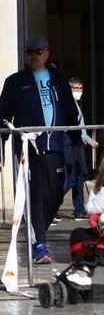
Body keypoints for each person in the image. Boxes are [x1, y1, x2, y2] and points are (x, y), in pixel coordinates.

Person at [0, 34, 84, 264]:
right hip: (28, 146)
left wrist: (76, 142)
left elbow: (71, 112)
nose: (33, 56)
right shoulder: (15, 81)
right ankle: (39, 244)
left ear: (47, 52)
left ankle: (37, 231)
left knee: (56, 191)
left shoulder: (59, 78)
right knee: (34, 191)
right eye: (29, 52)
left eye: (37, 51)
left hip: (55, 144)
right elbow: (2, 116)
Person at [67, 77, 97, 219]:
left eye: (81, 89)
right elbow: (77, 130)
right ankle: (51, 205)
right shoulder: (70, 106)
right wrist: (88, 140)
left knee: (79, 178)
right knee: (71, 178)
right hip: (74, 145)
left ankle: (79, 209)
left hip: (79, 144)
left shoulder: (76, 105)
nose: (79, 92)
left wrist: (88, 140)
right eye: (76, 89)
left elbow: (81, 129)